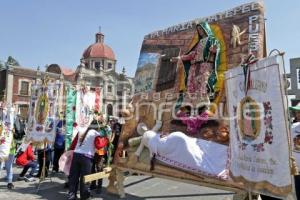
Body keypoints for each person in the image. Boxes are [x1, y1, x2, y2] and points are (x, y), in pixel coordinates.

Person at [68, 119, 109, 200]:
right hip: (86, 157)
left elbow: (74, 143)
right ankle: (84, 196)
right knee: (85, 178)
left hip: (76, 155)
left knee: (74, 177)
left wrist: (69, 151)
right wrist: (106, 140)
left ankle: (72, 195)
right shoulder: (95, 133)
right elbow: (99, 145)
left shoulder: (81, 130)